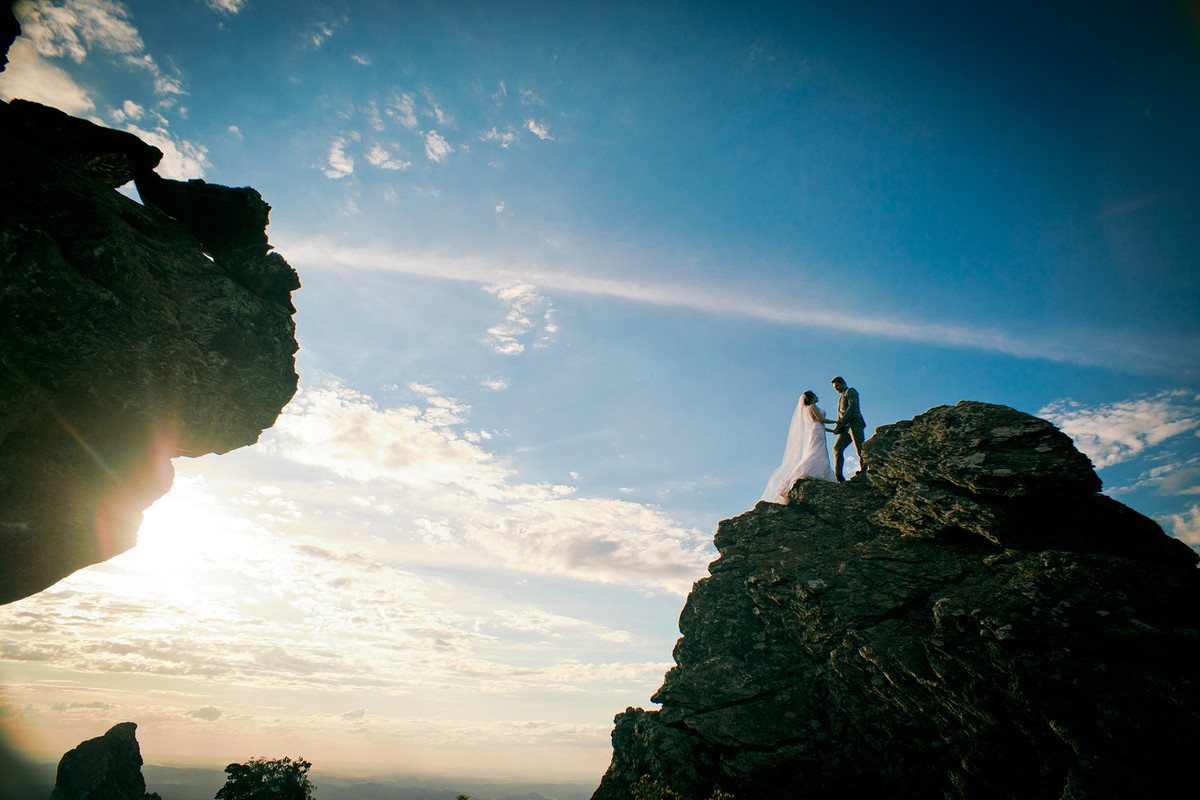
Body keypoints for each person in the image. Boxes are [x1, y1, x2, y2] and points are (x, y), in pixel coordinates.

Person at [760, 390, 837, 504]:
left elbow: (820, 424)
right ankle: (808, 471)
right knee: (816, 451)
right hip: (817, 431)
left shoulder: (810, 408)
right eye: (815, 395)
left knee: (818, 451)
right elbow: (821, 420)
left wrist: (833, 431)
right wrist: (837, 421)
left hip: (819, 430)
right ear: (811, 398)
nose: (817, 397)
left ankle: (819, 471)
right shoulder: (812, 407)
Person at [830, 376, 866, 482]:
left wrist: (844, 419)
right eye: (834, 387)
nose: (836, 388)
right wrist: (837, 428)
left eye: (837, 386)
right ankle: (838, 476)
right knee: (837, 449)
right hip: (845, 428)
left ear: (843, 383)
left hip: (854, 422)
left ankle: (864, 470)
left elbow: (853, 406)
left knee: (859, 446)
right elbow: (839, 417)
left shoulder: (850, 391)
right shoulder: (840, 398)